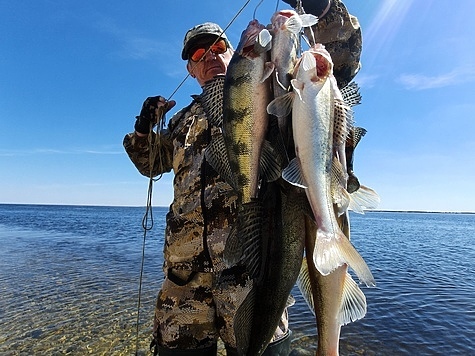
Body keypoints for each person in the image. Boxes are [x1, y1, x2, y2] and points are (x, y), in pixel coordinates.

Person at [123, 1, 362, 355]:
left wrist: (319, 7)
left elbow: (333, 66)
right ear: (191, 70)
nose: (210, 57)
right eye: (199, 54)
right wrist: (142, 129)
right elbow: (150, 163)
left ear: (234, 50)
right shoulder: (180, 122)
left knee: (259, 346)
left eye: (218, 47)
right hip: (183, 280)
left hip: (252, 272)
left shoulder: (273, 88)